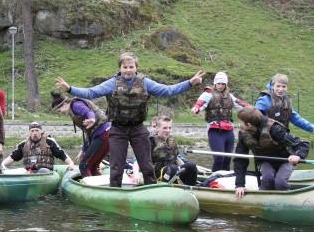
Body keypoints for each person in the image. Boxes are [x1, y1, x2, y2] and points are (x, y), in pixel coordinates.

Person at [55, 51, 205, 187]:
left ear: (136, 68)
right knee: (116, 166)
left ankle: (151, 191)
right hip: (117, 128)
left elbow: (167, 90)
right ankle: (115, 192)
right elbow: (91, 92)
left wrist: (190, 83)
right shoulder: (112, 83)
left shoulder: (145, 82)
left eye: (131, 67)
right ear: (120, 68)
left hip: (138, 128)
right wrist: (70, 89)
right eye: (125, 67)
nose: (128, 70)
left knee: (146, 165)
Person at [233, 107, 310, 199]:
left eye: (240, 122)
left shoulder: (274, 129)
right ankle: (262, 201)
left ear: (249, 124)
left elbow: (302, 144)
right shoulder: (243, 134)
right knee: (267, 179)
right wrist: (240, 184)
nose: (238, 124)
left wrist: (298, 155)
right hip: (264, 161)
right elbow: (240, 159)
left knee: (280, 182)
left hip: (284, 160)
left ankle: (289, 200)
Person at [191, 71, 251, 172]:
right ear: (215, 83)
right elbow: (200, 103)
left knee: (227, 159)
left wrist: (253, 109)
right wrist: (196, 108)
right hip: (215, 131)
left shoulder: (230, 96)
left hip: (228, 131)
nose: (221, 86)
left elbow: (240, 104)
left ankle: (223, 180)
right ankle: (213, 179)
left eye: (223, 84)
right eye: (219, 83)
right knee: (219, 158)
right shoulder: (207, 94)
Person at [51, 91, 110, 177]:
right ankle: (101, 186)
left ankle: (90, 188)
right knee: (92, 166)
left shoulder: (75, 105)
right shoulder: (73, 110)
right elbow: (89, 133)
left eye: (59, 110)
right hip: (107, 134)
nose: (60, 112)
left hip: (103, 134)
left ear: (64, 104)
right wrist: (83, 150)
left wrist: (92, 119)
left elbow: (88, 112)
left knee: (83, 166)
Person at [255, 73, 314, 139]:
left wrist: (313, 129)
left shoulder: (286, 101)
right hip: (264, 138)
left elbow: (296, 119)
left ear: (287, 87)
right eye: (278, 86)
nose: (281, 89)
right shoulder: (264, 100)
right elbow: (254, 116)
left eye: (284, 86)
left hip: (281, 138)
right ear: (273, 86)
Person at [1, 122, 75, 173]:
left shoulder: (50, 142)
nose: (35, 133)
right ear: (29, 132)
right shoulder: (23, 144)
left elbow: (61, 154)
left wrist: (70, 163)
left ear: (41, 131)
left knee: (43, 171)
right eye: (32, 131)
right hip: (29, 173)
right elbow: (13, 157)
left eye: (37, 130)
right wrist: (2, 164)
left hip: (46, 173)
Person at [149, 115, 198, 185]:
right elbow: (139, 161)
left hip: (174, 172)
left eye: (169, 128)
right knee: (172, 168)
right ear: (157, 128)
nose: (168, 130)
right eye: (165, 128)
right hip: (158, 175)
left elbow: (176, 158)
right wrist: (136, 174)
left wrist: (187, 169)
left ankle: (191, 188)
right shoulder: (150, 142)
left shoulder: (171, 141)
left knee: (191, 166)